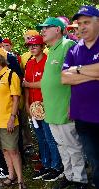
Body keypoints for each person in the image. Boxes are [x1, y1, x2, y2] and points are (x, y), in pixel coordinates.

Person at [37, 17, 88, 188]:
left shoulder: (68, 45)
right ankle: (69, 175)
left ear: (58, 29)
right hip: (52, 109)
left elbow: (78, 77)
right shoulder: (51, 50)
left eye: (46, 28)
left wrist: (73, 104)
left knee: (73, 145)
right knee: (61, 145)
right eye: (41, 28)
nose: (42, 31)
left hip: (65, 108)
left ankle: (80, 179)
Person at [61, 5, 99, 188]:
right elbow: (63, 77)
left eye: (87, 22)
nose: (82, 27)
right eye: (79, 23)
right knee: (94, 160)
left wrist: (77, 70)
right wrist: (93, 73)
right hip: (82, 115)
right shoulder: (74, 50)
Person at [23, 35, 62, 180]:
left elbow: (44, 83)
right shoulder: (29, 63)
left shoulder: (48, 61)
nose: (32, 48)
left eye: (35, 45)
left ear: (42, 46)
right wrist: (26, 104)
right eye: (30, 46)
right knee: (40, 138)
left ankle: (56, 166)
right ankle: (45, 165)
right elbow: (26, 85)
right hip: (33, 108)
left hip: (47, 106)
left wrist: (27, 85)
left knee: (50, 137)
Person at [0, 47, 25, 189]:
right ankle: (11, 176)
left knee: (13, 150)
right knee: (4, 150)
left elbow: (15, 99)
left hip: (8, 120)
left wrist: (12, 118)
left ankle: (20, 180)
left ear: (2, 58)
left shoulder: (11, 75)